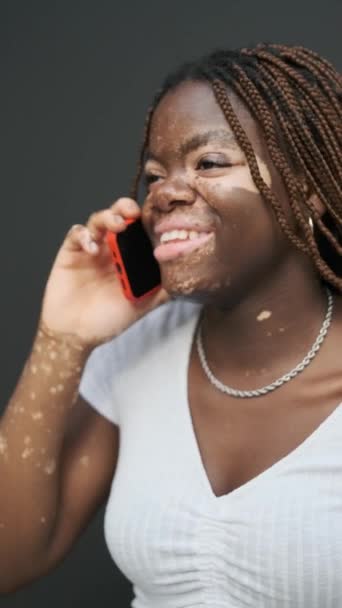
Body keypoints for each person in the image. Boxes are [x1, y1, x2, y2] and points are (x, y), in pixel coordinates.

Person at [0, 42, 341, 607]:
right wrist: (61, 339)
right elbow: (10, 559)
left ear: (305, 186)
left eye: (208, 162)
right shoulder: (135, 351)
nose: (165, 193)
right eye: (155, 175)